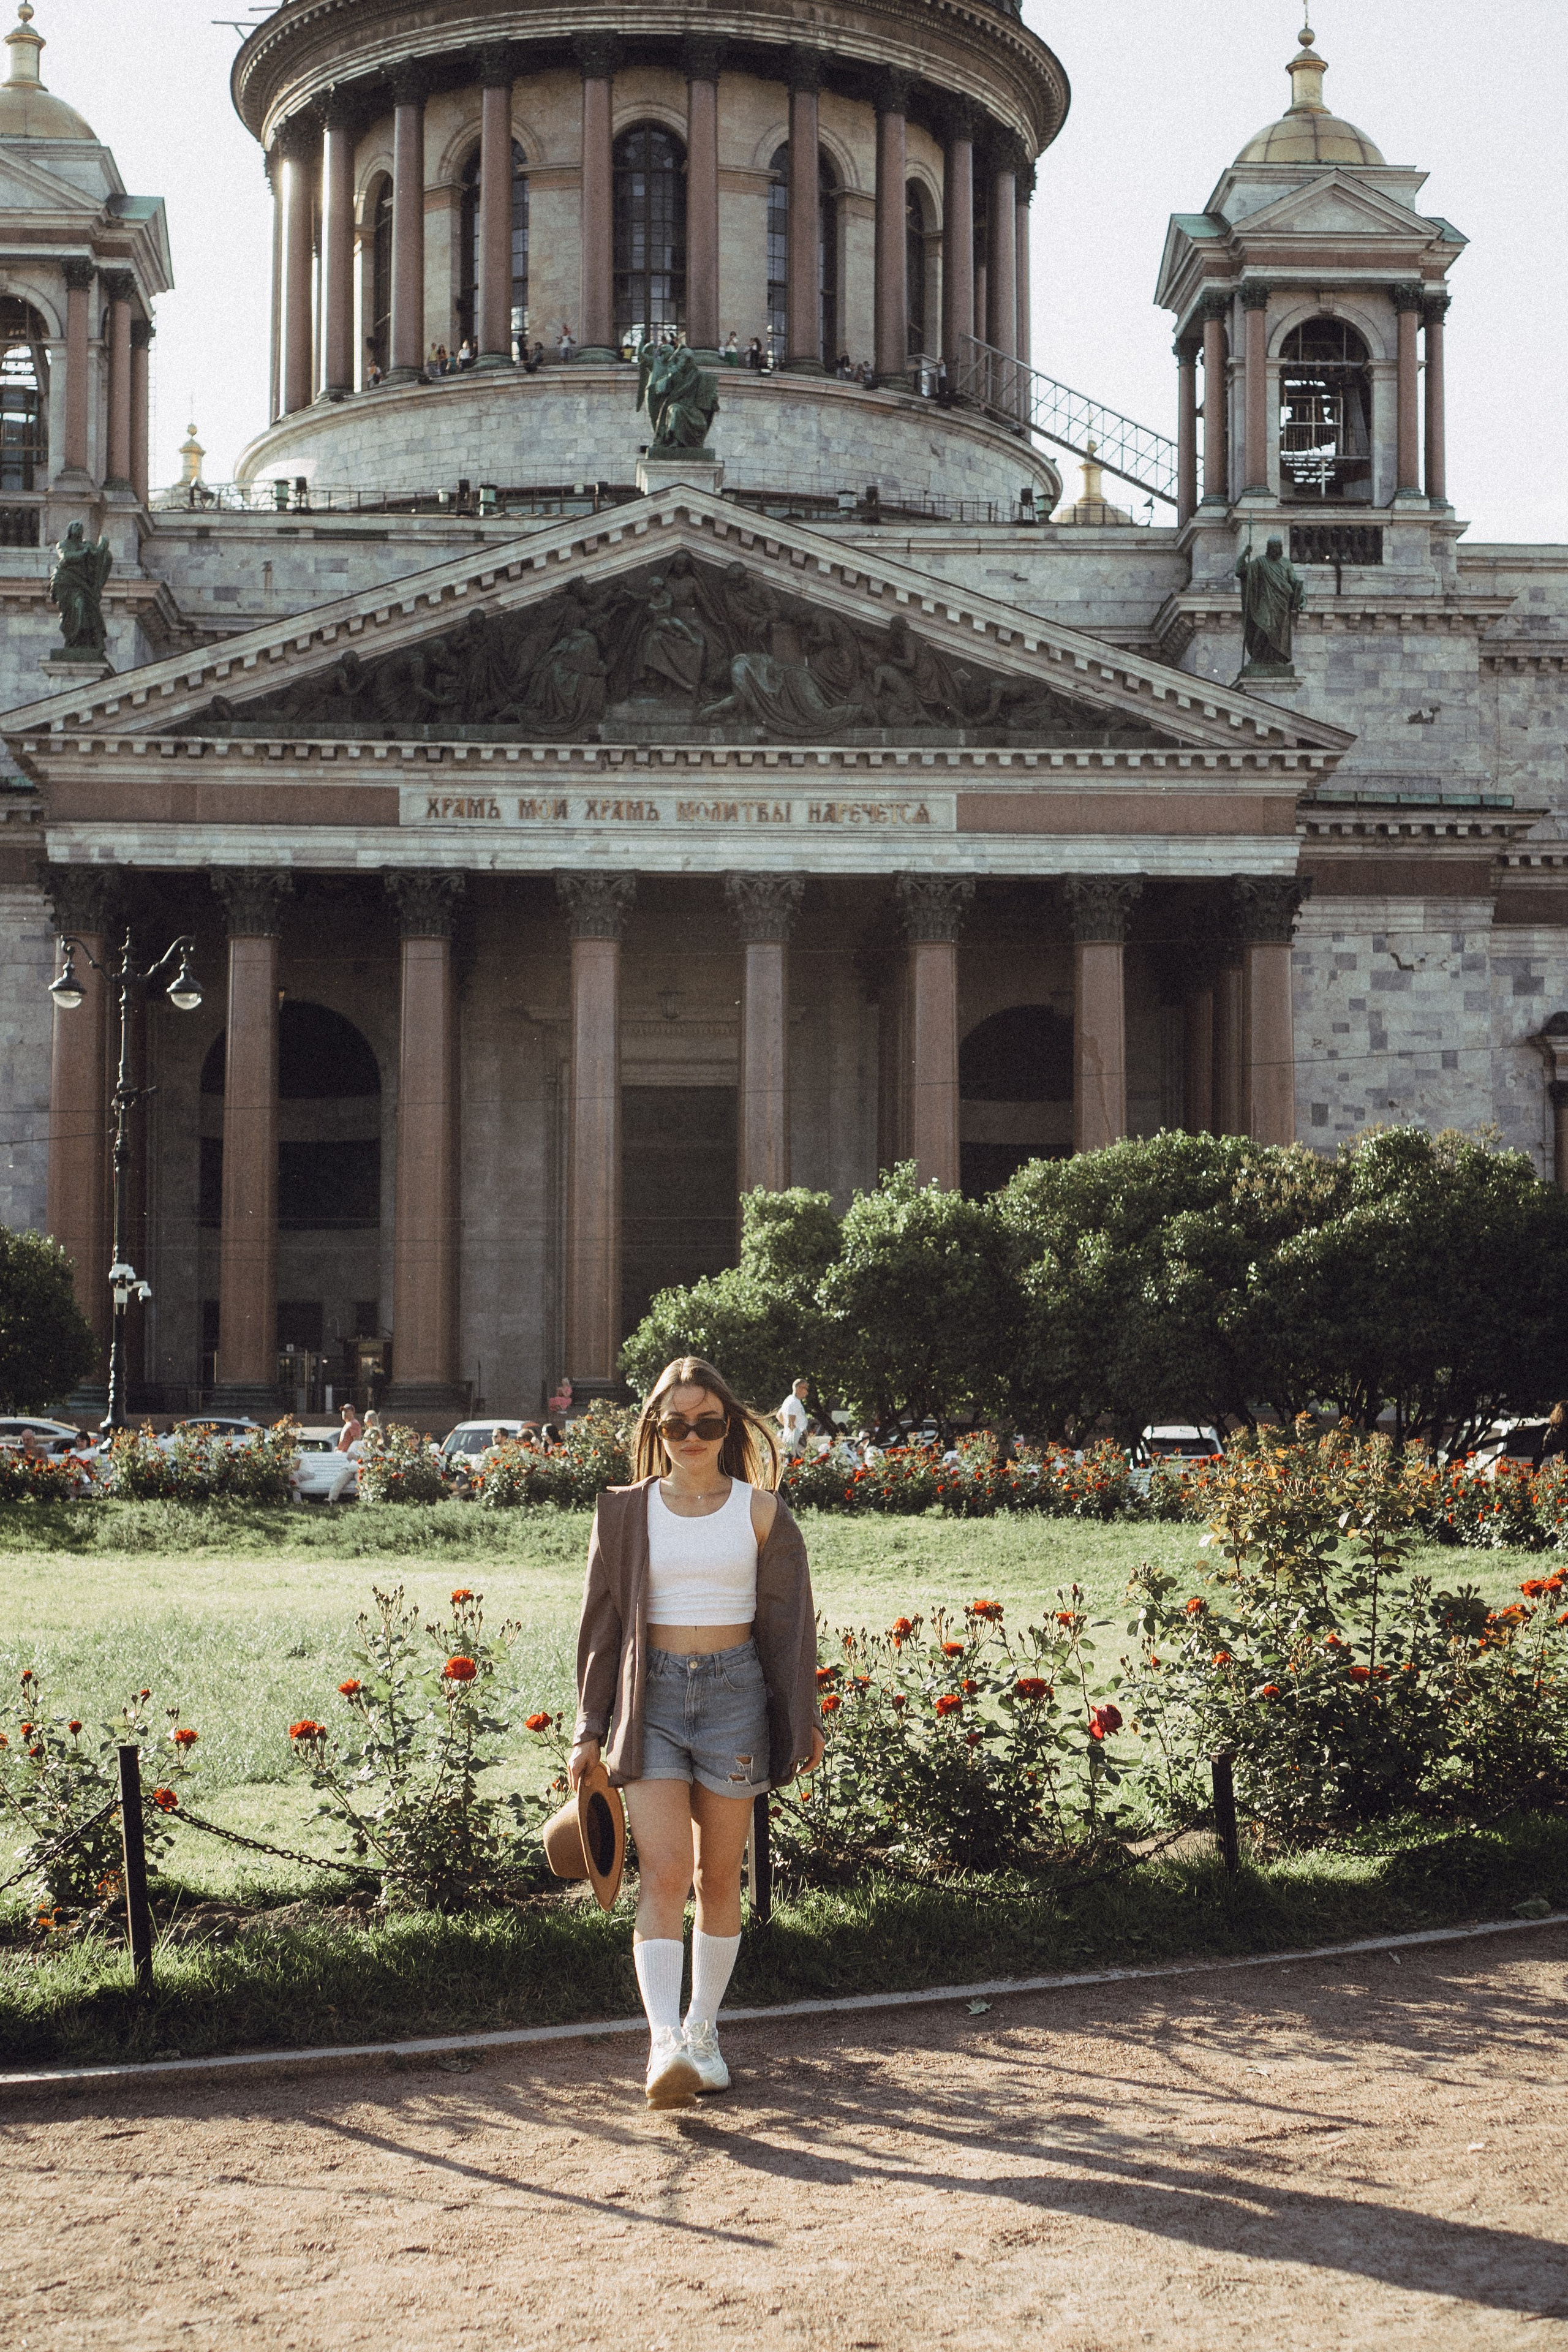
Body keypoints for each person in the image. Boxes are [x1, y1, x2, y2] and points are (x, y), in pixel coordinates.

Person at [569, 1356, 824, 2109]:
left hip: (734, 1697)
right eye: (674, 1423)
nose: (690, 1436)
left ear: (728, 1427)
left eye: (706, 1423)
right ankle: (663, 2046)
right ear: (655, 1426)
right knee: (665, 1873)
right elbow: (601, 1628)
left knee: (720, 1876)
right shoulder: (622, 1511)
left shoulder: (762, 1512)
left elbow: (788, 1629)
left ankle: (704, 2035)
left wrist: (800, 1717)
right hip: (649, 1701)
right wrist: (588, 1727)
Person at [776, 1379, 810, 1457]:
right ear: (800, 1388)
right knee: (797, 1464)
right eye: (806, 1389)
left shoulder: (790, 1400)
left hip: (793, 1440)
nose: (807, 1392)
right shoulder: (794, 1402)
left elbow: (779, 1415)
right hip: (795, 1442)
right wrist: (800, 1433)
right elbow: (790, 1423)